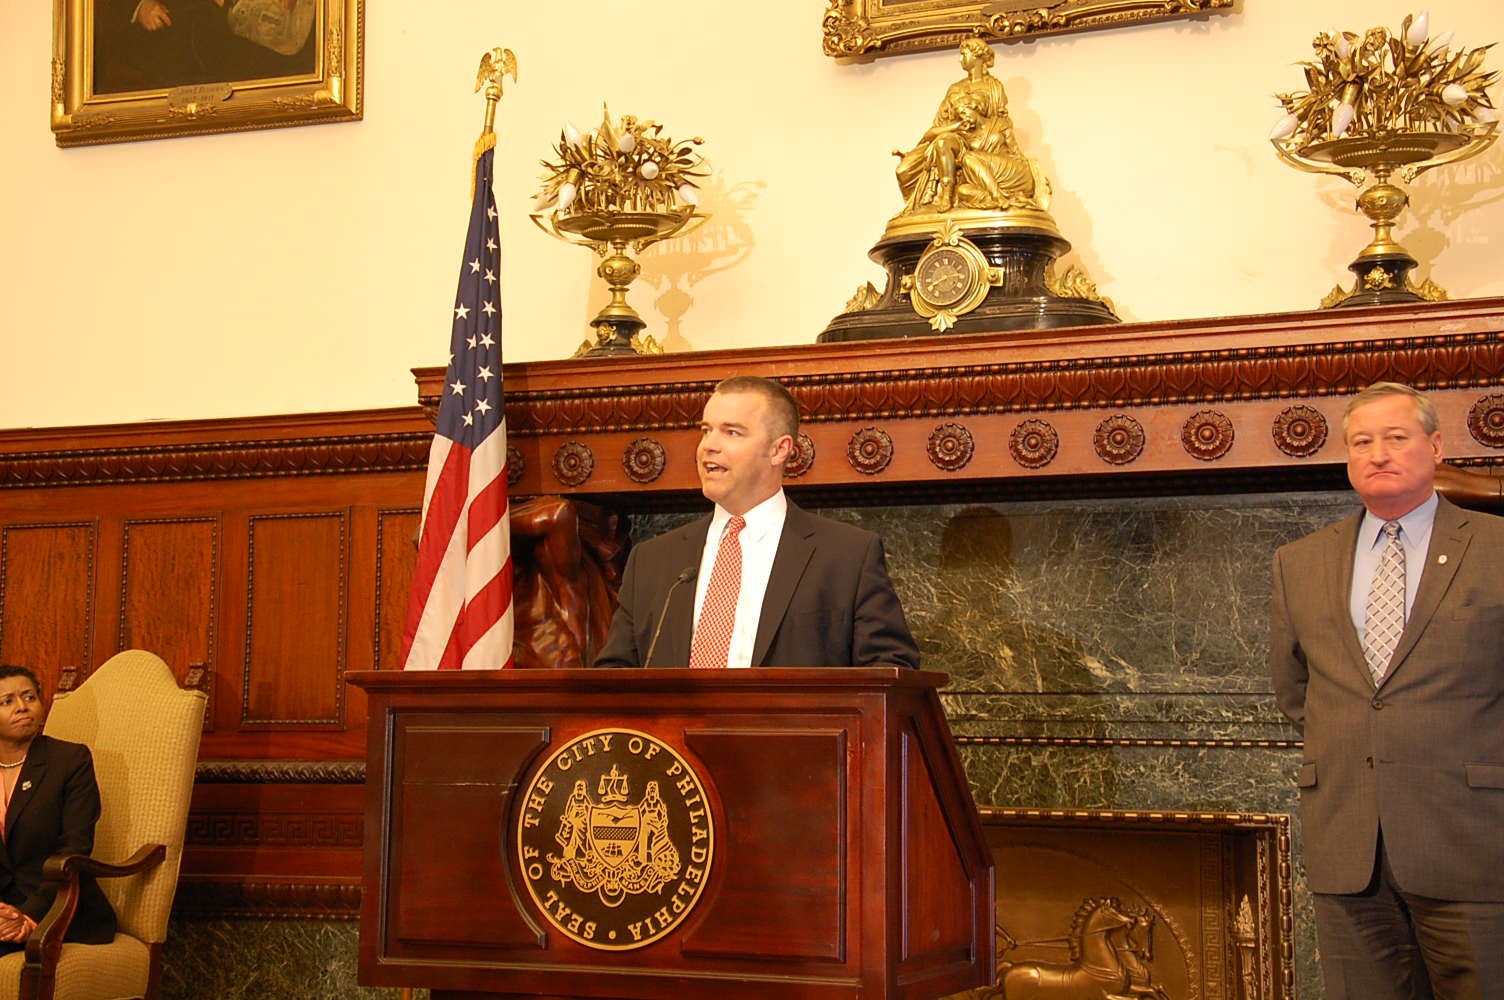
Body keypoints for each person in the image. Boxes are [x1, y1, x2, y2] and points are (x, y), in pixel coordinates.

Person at [1268, 382, 1504, 999]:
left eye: (1396, 437)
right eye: (1362, 442)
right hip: (1349, 847)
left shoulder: (1497, 548)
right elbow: (1296, 691)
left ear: (1435, 445)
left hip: (1473, 841)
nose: (1379, 453)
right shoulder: (1301, 561)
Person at [594, 375, 919, 669]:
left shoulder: (847, 555)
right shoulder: (653, 560)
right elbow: (613, 675)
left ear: (779, 450)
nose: (709, 445)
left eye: (732, 432)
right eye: (706, 430)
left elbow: (891, 670)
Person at [0, 665, 117, 951]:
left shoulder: (69, 760)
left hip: (62, 907)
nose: (22, 708)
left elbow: (74, 848)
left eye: (29, 697)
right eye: (7, 701)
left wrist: (30, 916)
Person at [893, 39, 1040, 216]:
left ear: (977, 56)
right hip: (952, 137)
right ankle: (940, 194)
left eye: (964, 53)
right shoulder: (955, 88)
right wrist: (956, 126)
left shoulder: (994, 88)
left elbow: (1000, 123)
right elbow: (934, 129)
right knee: (904, 170)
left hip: (980, 143)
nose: (961, 58)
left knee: (947, 145)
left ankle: (947, 194)